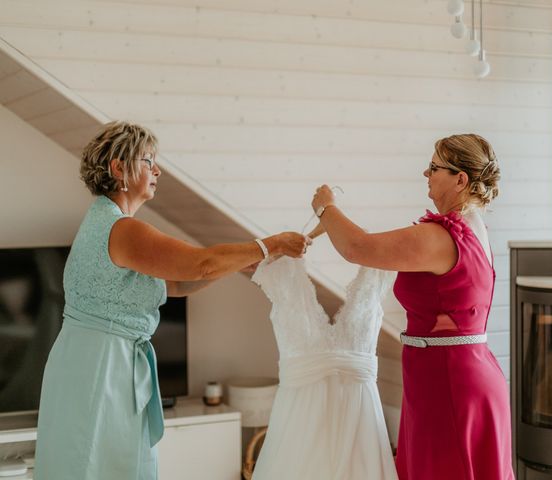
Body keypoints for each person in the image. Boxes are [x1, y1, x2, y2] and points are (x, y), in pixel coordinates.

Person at [34, 121, 309, 480]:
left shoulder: (105, 222)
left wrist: (245, 261)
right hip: (102, 368)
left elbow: (178, 283)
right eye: (149, 161)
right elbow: (201, 264)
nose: (157, 170)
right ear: (119, 168)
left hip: (91, 360)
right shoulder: (122, 229)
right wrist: (269, 244)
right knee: (95, 465)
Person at [311, 133, 514, 480]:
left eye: (434, 167)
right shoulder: (474, 228)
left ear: (460, 179)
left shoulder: (441, 236)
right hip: (458, 374)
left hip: (448, 382)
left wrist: (325, 206)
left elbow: (357, 247)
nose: (426, 174)